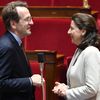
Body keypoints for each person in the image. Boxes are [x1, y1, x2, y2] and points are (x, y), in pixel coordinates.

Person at [0, 1, 43, 100]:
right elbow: (1, 82)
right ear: (13, 24)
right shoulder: (7, 47)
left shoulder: (14, 42)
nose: (32, 22)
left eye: (31, 18)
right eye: (27, 19)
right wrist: (29, 81)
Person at [52, 13, 100, 100]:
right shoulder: (79, 50)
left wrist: (67, 92)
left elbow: (91, 89)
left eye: (72, 28)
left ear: (83, 31)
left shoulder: (91, 52)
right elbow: (79, 84)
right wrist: (65, 88)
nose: (68, 32)